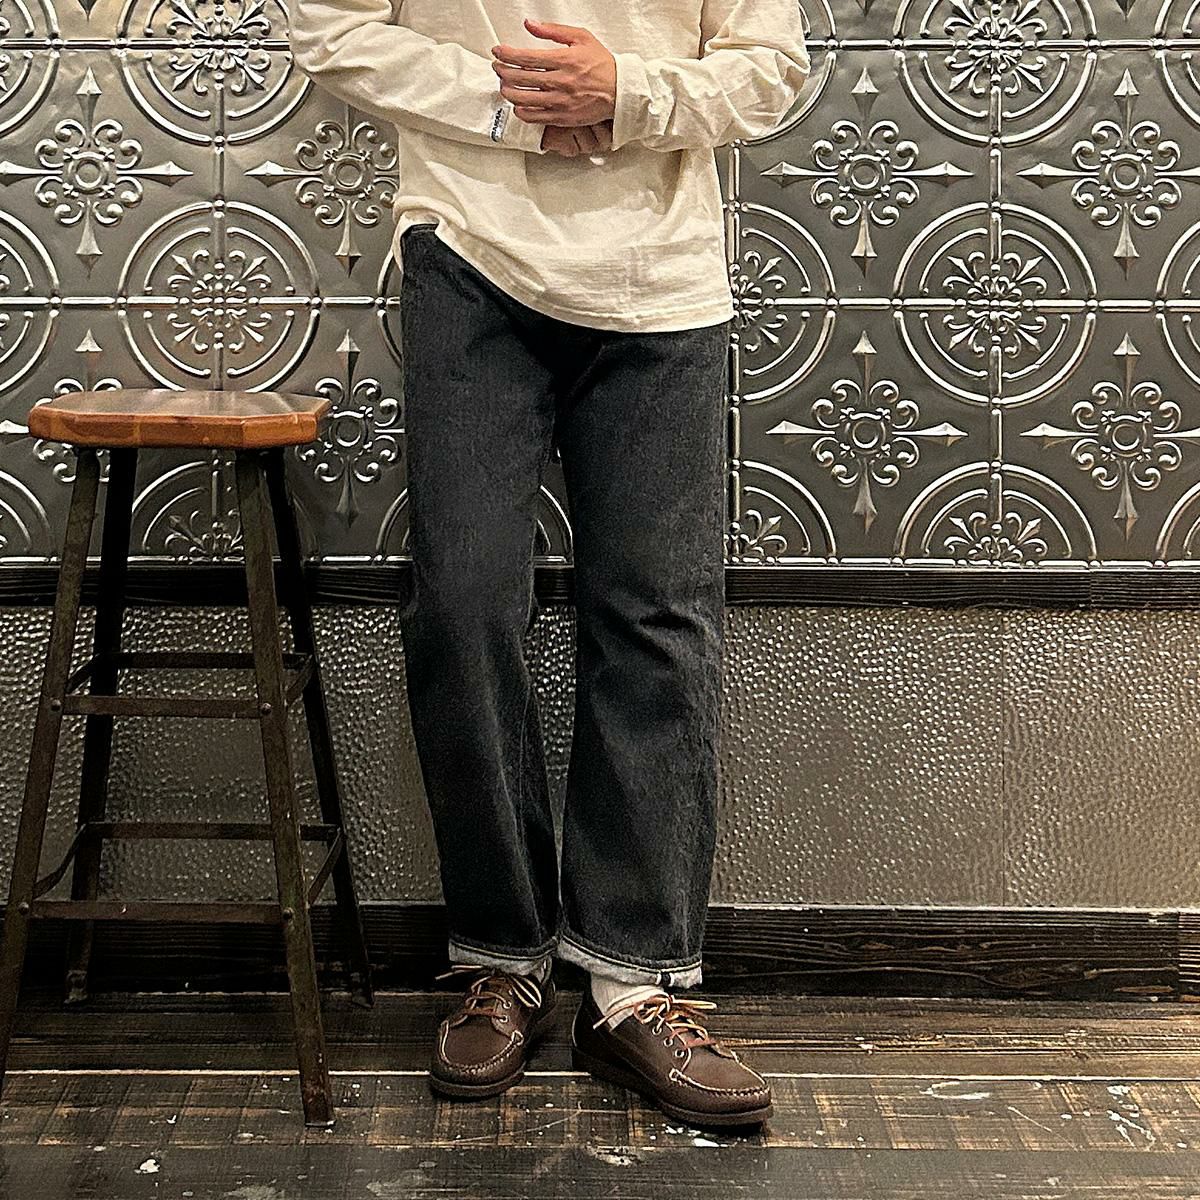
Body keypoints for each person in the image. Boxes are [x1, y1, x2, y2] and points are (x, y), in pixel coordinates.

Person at [287, 0, 810, 1129]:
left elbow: (772, 66)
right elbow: (329, 28)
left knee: (657, 620)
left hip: (662, 277)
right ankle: (502, 958)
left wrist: (628, 94)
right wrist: (511, 106)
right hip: (469, 252)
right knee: (464, 605)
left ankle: (633, 985)